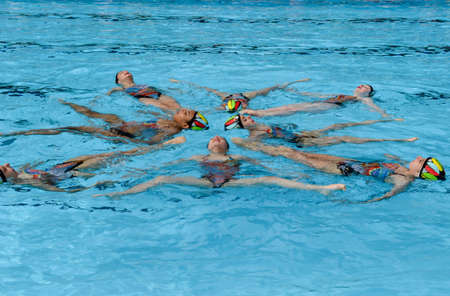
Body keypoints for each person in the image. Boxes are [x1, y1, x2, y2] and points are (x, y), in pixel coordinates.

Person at [93, 136, 346, 198]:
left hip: (233, 182)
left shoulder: (238, 159)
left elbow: (269, 169)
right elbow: (164, 166)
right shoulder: (196, 159)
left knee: (274, 181)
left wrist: (293, 173)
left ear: (225, 146)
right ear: (207, 147)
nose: (217, 139)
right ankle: (120, 193)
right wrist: (133, 174)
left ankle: (319, 188)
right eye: (213, 139)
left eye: (220, 138)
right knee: (161, 179)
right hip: (204, 183)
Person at [231, 137, 445, 203]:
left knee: (292, 154)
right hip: (349, 160)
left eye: (421, 161)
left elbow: (387, 195)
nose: (417, 157)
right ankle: (257, 146)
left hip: (342, 170)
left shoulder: (404, 180)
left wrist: (357, 202)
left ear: (421, 173)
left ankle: (251, 146)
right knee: (301, 152)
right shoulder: (401, 166)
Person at [0, 136, 186, 192]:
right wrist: (91, 186)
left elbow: (36, 165)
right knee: (117, 157)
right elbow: (62, 192)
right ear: (4, 178)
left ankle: (159, 147)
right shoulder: (29, 183)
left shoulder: (22, 171)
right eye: (4, 168)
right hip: (74, 174)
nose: (7, 163)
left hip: (60, 166)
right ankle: (165, 147)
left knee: (112, 154)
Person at [0, 99, 209, 145]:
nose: (188, 111)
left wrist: (125, 139)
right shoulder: (167, 118)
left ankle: (15, 134)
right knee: (94, 113)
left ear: (184, 126)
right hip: (122, 125)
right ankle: (65, 101)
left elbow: (152, 142)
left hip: (120, 134)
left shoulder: (172, 129)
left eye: (189, 115)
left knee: (70, 128)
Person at [224, 114, 418, 147]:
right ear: (242, 127)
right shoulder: (254, 135)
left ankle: (384, 120)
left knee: (336, 126)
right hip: (302, 143)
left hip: (301, 134)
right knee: (342, 138)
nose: (248, 117)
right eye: (244, 119)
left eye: (246, 115)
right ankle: (397, 140)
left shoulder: (262, 124)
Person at [241, 84, 389, 117]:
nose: (361, 86)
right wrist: (297, 92)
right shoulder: (342, 93)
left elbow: (374, 107)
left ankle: (260, 114)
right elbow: (316, 95)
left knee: (294, 109)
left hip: (331, 107)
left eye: (366, 87)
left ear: (368, 93)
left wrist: (386, 116)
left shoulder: (362, 98)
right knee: (289, 106)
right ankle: (260, 112)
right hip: (322, 102)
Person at [169, 78, 310, 113]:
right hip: (243, 96)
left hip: (230, 96)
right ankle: (181, 82)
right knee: (205, 89)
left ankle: (290, 83)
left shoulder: (226, 102)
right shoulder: (243, 103)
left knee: (273, 87)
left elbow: (207, 111)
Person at [107, 70, 181, 111]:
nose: (126, 71)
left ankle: (190, 120)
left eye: (127, 72)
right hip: (143, 97)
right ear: (118, 81)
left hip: (157, 94)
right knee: (167, 110)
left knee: (177, 107)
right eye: (121, 73)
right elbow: (108, 94)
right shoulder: (121, 88)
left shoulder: (142, 85)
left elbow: (156, 88)